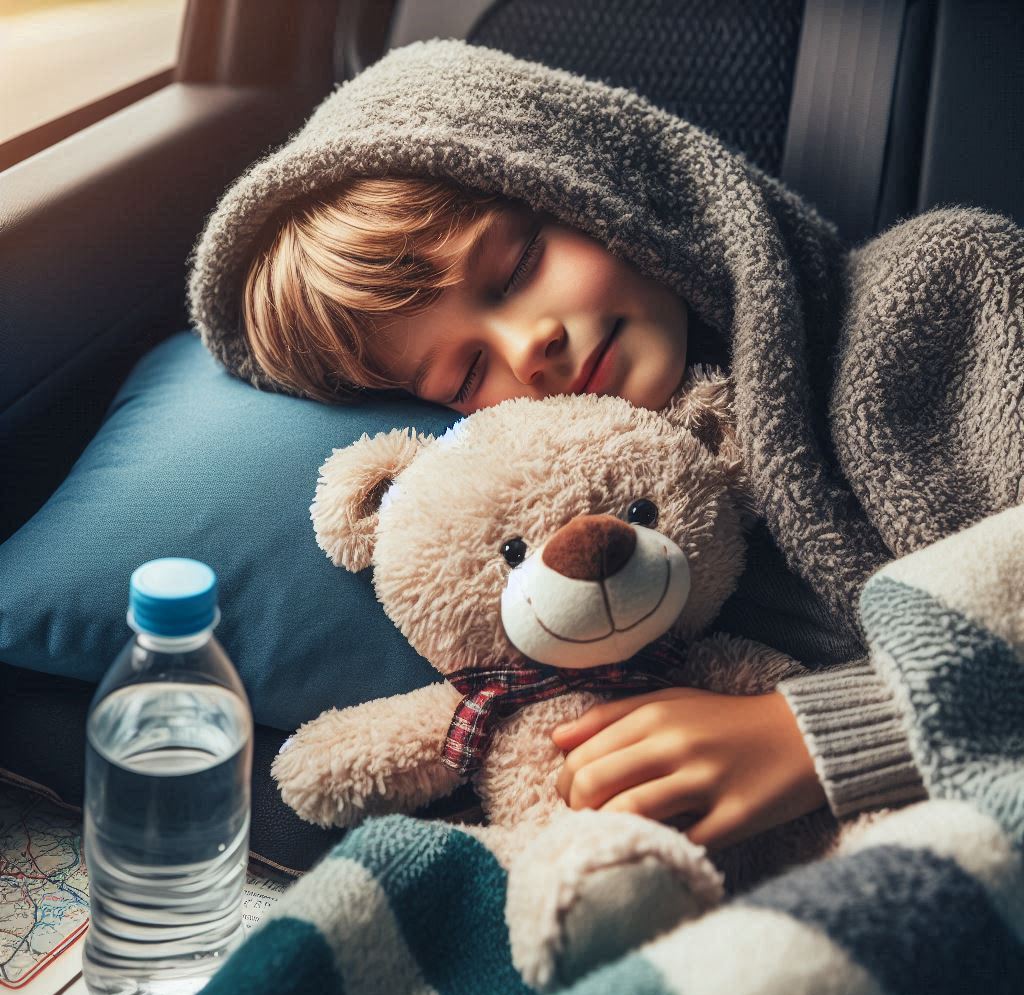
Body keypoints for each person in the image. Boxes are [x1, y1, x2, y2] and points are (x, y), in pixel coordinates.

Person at [189, 40, 1021, 857]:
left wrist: (819, 735)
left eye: (516, 269)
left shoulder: (945, 290)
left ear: (596, 182)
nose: (530, 346)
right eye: (467, 371)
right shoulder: (557, 545)